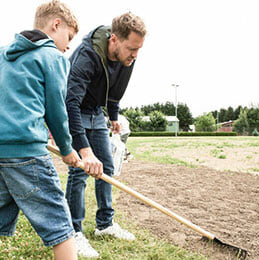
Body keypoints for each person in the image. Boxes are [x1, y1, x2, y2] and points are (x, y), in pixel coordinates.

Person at [0, 1, 87, 259]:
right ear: (56, 24)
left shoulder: (1, 52)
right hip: (24, 151)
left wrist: (0, 108)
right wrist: (66, 149)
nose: (68, 45)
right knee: (61, 225)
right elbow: (56, 111)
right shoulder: (53, 57)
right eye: (69, 37)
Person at [65, 12, 146, 258]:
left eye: (139, 49)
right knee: (79, 171)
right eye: (131, 48)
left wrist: (113, 116)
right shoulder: (87, 55)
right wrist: (84, 150)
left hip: (96, 114)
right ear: (114, 39)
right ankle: (73, 231)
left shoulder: (127, 58)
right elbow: (70, 103)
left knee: (106, 169)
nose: (135, 54)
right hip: (76, 112)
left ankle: (105, 225)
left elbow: (114, 91)